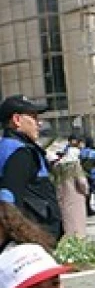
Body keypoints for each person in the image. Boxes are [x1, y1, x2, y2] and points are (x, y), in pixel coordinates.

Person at [0, 95, 62, 240]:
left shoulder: (8, 148)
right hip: (31, 240)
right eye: (33, 117)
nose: (39, 123)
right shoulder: (20, 153)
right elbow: (9, 202)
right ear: (17, 120)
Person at [52, 147, 88, 238]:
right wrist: (86, 191)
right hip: (76, 196)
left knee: (67, 219)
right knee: (77, 221)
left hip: (62, 196)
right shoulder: (75, 165)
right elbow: (82, 182)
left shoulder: (57, 166)